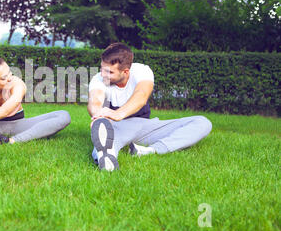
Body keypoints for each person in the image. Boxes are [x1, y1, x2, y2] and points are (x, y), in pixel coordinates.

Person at [88, 43, 212, 171]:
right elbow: (95, 100)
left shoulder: (141, 71)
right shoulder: (98, 79)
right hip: (116, 127)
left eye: (109, 71)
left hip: (144, 127)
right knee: (106, 139)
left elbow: (141, 95)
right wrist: (99, 116)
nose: (102, 74)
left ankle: (148, 150)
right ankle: (107, 158)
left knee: (202, 122)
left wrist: (118, 114)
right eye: (101, 68)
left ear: (125, 71)